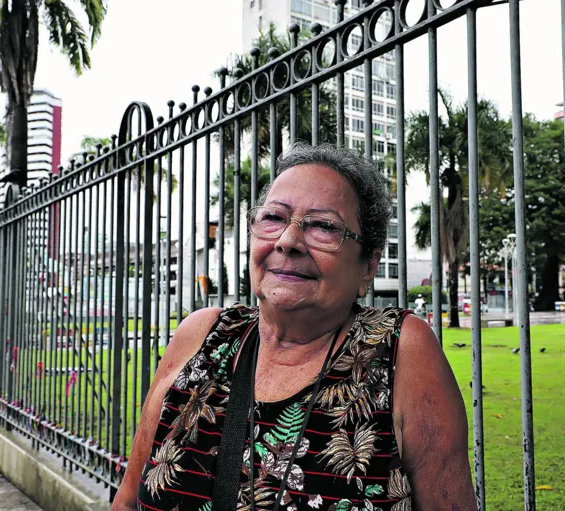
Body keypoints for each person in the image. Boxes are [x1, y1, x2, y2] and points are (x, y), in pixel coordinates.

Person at [112, 143, 475, 511]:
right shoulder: (202, 336)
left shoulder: (399, 352)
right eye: (273, 217)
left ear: (367, 266)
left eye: (323, 226)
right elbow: (127, 502)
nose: (288, 241)